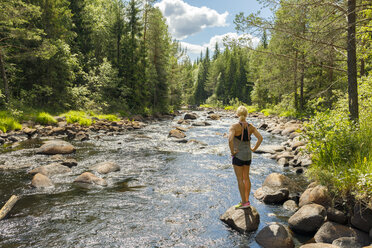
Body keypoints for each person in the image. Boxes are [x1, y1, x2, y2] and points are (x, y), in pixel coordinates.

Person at [228, 106, 263, 209]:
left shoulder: (234, 126)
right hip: (248, 155)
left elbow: (230, 140)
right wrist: (253, 149)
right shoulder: (251, 126)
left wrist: (232, 152)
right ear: (246, 114)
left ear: (238, 114)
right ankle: (247, 201)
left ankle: (243, 203)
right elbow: (260, 138)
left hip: (238, 155)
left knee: (240, 179)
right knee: (246, 178)